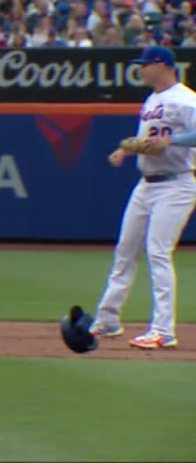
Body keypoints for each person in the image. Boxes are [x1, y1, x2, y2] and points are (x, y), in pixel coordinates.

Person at [93, 46, 196, 350]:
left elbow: (175, 138)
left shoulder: (185, 98)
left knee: (158, 251)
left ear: (161, 65)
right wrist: (127, 149)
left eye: (143, 65)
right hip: (146, 185)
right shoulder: (152, 100)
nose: (139, 70)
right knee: (125, 250)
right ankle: (108, 319)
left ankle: (163, 329)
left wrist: (173, 139)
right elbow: (149, 141)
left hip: (176, 185)